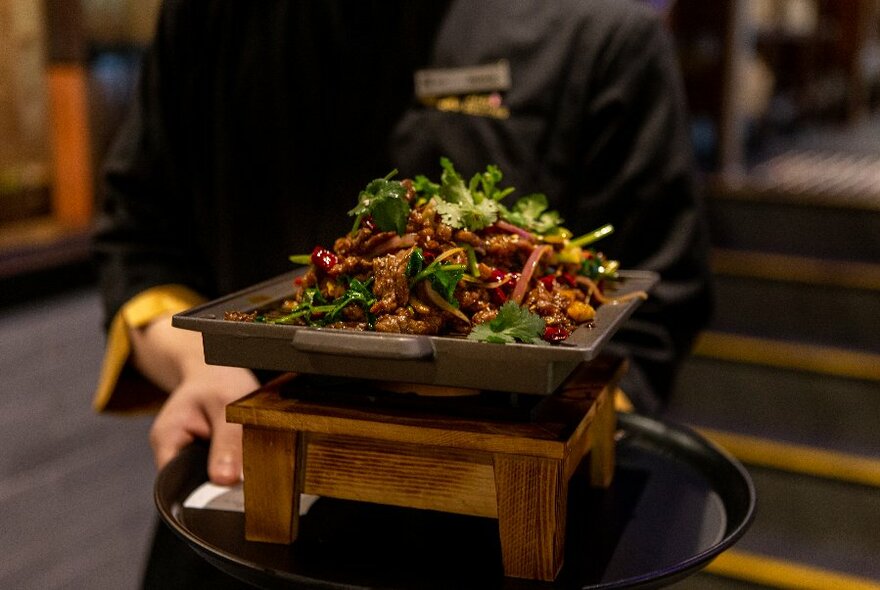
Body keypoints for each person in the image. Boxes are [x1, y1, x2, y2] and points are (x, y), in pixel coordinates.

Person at [92, 0, 712, 586]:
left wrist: (562, 433)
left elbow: (656, 303)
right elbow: (139, 235)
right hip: (244, 505)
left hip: (499, 541)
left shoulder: (603, 34)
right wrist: (197, 366)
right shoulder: (208, 17)